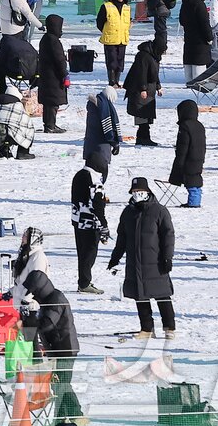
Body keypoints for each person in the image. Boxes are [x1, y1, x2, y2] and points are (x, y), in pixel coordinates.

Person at [108, 177, 177, 339]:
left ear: (147, 192)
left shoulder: (159, 210)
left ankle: (169, 328)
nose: (137, 194)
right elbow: (122, 237)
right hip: (134, 262)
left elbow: (168, 235)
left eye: (140, 191)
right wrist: (115, 257)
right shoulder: (128, 212)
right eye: (134, 191)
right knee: (140, 296)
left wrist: (168, 257)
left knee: (162, 294)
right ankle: (146, 329)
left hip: (156, 261)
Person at [24, 270, 82, 421]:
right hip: (56, 349)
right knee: (59, 384)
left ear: (40, 288)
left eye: (34, 291)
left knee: (61, 384)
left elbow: (48, 324)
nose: (33, 295)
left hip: (65, 348)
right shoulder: (47, 300)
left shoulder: (56, 298)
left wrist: (33, 321)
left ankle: (71, 416)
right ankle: (68, 417)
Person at [71, 161, 109, 294]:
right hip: (90, 222)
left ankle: (83, 282)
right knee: (89, 254)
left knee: (82, 254)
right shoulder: (94, 179)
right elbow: (98, 204)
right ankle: (84, 283)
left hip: (77, 220)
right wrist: (103, 224)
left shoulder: (79, 175)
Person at [122, 41, 161, 147]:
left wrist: (158, 86)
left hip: (149, 90)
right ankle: (142, 138)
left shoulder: (154, 56)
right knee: (142, 113)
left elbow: (154, 74)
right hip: (141, 90)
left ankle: (145, 138)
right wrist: (142, 89)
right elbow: (141, 73)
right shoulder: (143, 56)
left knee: (146, 115)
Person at [169, 100, 206, 208]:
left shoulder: (185, 126)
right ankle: (196, 200)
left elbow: (183, 145)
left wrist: (179, 160)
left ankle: (194, 202)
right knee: (196, 177)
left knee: (191, 180)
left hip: (188, 157)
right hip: (199, 156)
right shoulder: (199, 125)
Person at [36, 14, 68, 133]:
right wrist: (64, 73)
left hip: (46, 75)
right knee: (53, 101)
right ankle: (50, 125)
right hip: (53, 76)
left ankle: (49, 124)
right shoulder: (53, 41)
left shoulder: (46, 38)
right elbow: (59, 59)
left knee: (49, 102)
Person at [96, 0, 131, 86]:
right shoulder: (106, 6)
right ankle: (112, 81)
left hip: (122, 38)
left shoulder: (127, 7)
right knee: (112, 61)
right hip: (110, 39)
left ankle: (117, 81)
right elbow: (100, 22)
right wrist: (107, 31)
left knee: (120, 62)